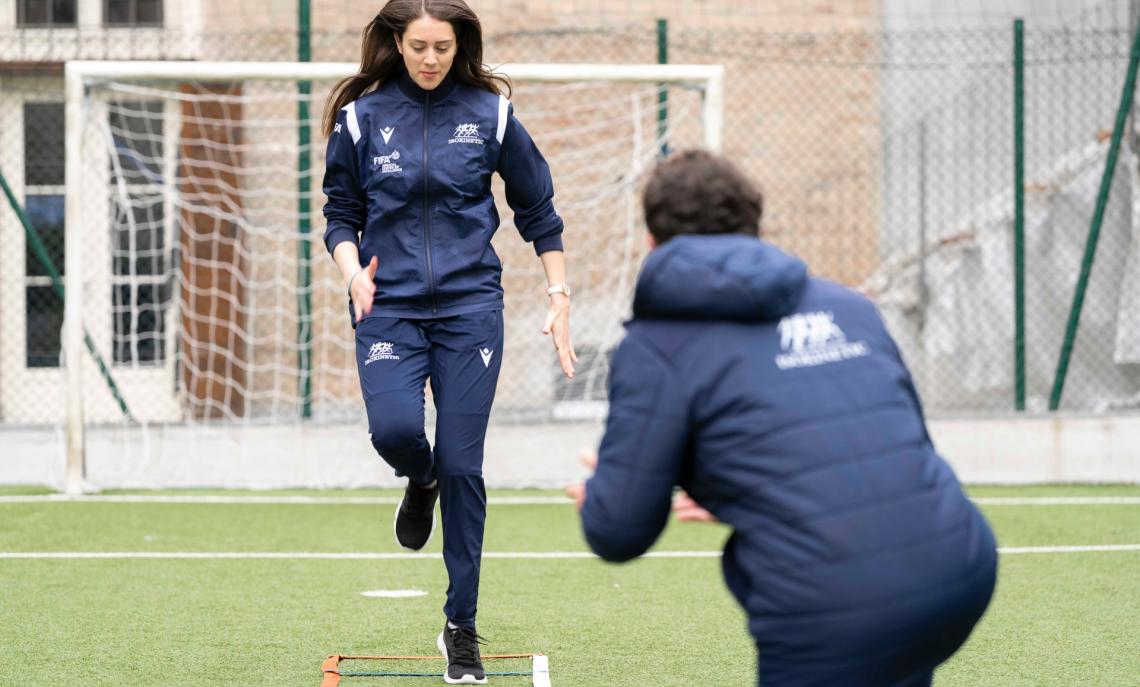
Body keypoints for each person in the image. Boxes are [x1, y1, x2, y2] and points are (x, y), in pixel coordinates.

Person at [571, 150, 997, 687]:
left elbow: (619, 531)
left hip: (833, 608)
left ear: (653, 242)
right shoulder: (850, 307)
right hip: (961, 567)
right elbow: (895, 446)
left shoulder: (655, 345)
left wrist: (603, 493)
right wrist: (750, 486)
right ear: (755, 227)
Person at [321, 1, 576, 683]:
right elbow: (339, 213)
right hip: (388, 307)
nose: (431, 59)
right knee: (396, 431)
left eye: (443, 47)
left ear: (459, 45)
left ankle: (460, 626)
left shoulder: (491, 115)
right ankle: (420, 476)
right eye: (419, 47)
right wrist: (353, 273)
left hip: (470, 311)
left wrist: (558, 295)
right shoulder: (361, 119)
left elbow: (538, 211)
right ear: (397, 44)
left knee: (465, 465)